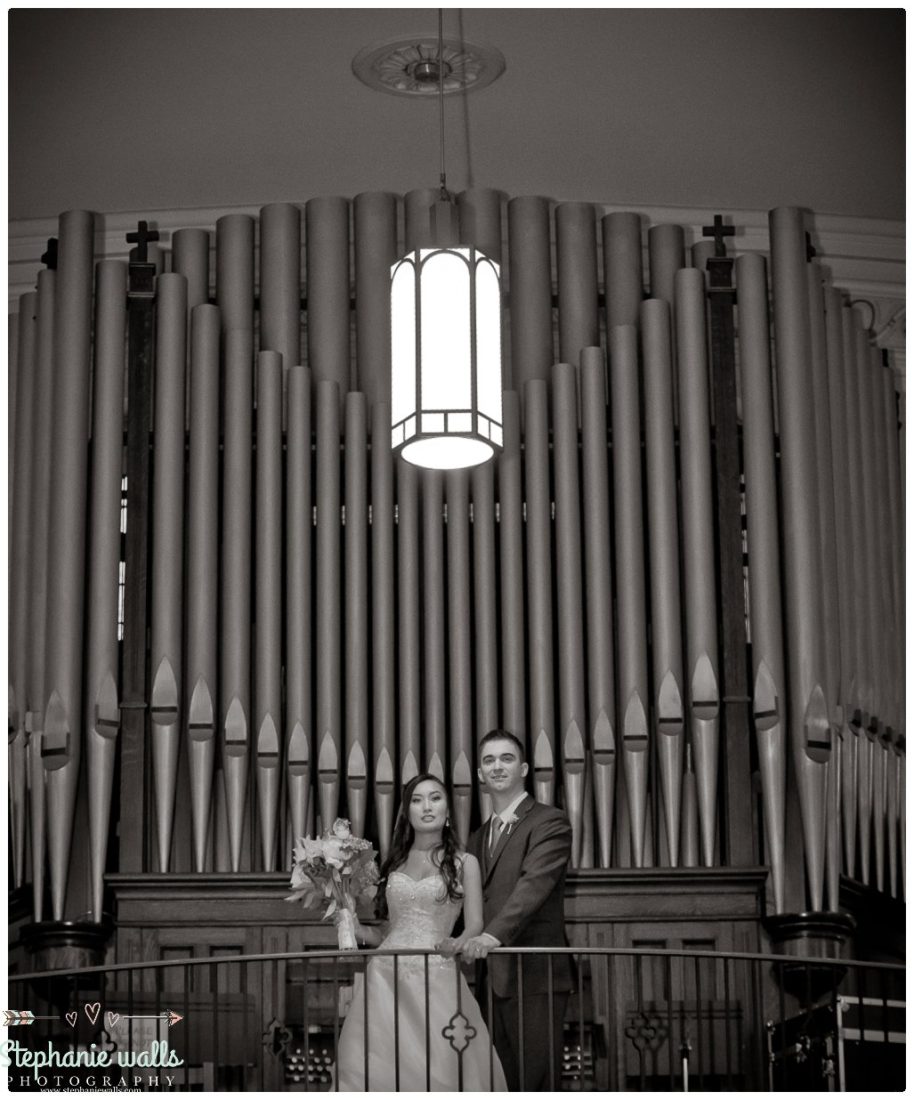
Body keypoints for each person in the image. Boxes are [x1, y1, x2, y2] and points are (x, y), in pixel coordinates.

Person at [335, 773, 506, 1091]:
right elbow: (389, 932)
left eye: (435, 798)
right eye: (417, 799)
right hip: (384, 979)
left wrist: (458, 942)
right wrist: (355, 927)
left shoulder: (464, 863)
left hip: (437, 973)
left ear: (448, 812)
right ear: (406, 812)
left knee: (440, 1066)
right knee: (376, 1066)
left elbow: (475, 925)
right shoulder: (392, 865)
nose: (427, 806)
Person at [445, 729, 574, 1091]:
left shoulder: (550, 821)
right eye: (488, 760)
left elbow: (532, 887)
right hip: (490, 979)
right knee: (498, 1084)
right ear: (481, 776)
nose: (497, 766)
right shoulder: (476, 837)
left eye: (506, 758)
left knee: (534, 1084)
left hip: (534, 975)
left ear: (524, 769)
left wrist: (492, 934)